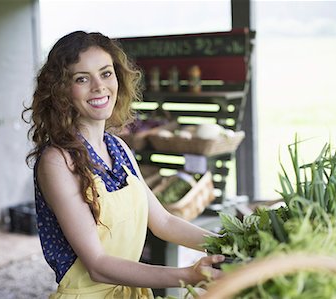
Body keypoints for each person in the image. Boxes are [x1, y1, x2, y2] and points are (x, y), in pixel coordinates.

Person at [22, 31, 224, 299]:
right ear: (61, 90)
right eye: (82, 79)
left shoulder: (119, 149)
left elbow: (163, 221)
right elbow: (97, 265)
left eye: (106, 73)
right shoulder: (57, 161)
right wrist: (187, 275)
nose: (99, 86)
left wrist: (225, 243)